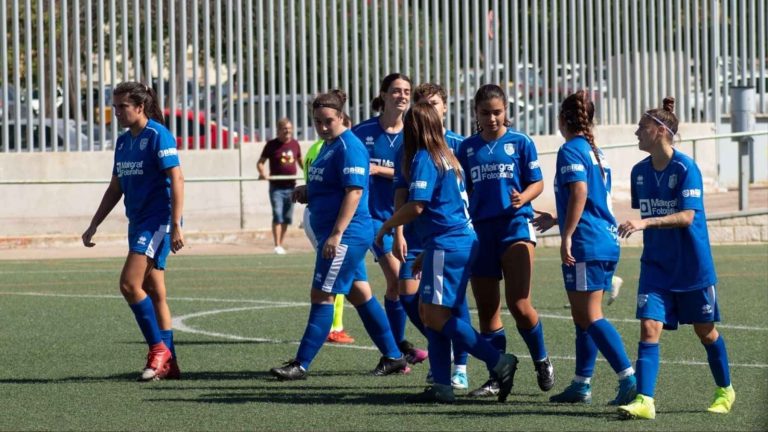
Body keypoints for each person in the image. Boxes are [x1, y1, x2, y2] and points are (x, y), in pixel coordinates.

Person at [375, 102, 518, 403]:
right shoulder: (447, 156)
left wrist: (386, 226)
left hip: (449, 243)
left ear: (415, 128)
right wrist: (428, 251)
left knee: (436, 315)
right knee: (433, 313)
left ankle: (498, 360)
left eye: (409, 124)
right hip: (454, 241)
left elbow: (417, 206)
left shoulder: (425, 157)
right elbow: (447, 207)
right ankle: (442, 385)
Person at [269, 89, 408, 380]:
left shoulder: (349, 146)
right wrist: (308, 191)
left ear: (341, 117)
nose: (322, 126)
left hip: (345, 237)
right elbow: (333, 184)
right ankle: (394, 356)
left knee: (321, 295)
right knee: (361, 295)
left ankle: (301, 364)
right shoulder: (329, 145)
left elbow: (355, 191)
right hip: (339, 236)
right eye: (317, 121)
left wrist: (336, 235)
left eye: (328, 121)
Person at [616, 97, 735, 419]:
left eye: (642, 127)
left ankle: (725, 388)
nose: (636, 132)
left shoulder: (685, 168)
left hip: (692, 266)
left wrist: (644, 222)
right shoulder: (639, 172)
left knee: (705, 331)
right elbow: (650, 213)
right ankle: (645, 400)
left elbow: (686, 217)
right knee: (649, 326)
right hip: (656, 266)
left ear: (660, 130)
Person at [533, 90, 636, 405]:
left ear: (563, 119)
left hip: (587, 242)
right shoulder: (596, 151)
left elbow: (579, 191)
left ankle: (629, 380)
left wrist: (567, 234)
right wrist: (557, 218)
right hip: (604, 238)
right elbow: (589, 198)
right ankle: (581, 383)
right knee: (583, 315)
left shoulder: (570, 150)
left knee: (590, 315)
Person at [456, 84, 554, 398]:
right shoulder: (467, 148)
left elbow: (537, 182)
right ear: (476, 114)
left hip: (516, 228)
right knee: (487, 309)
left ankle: (541, 359)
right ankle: (497, 374)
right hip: (481, 233)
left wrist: (523, 197)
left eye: (497, 112)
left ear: (506, 111)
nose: (492, 118)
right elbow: (463, 190)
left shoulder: (521, 142)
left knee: (520, 304)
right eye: (485, 113)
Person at [82, 81, 184, 381]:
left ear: (140, 107)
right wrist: (95, 223)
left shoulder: (157, 135)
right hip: (138, 222)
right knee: (154, 292)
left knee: (128, 284)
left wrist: (176, 224)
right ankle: (170, 364)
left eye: (123, 107)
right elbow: (116, 187)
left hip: (157, 221)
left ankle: (158, 349)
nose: (118, 112)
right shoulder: (124, 142)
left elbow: (177, 179)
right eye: (115, 107)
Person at [398, 83, 471, 389]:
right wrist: (398, 231)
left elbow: (420, 204)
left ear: (444, 107)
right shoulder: (410, 148)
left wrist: (386, 226)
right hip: (424, 236)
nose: (428, 108)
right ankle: (441, 368)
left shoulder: (456, 145)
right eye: (423, 103)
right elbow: (401, 193)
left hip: (446, 235)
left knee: (446, 307)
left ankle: (463, 365)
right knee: (414, 299)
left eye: (434, 103)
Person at [351, 73, 427, 365]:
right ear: (383, 95)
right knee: (396, 279)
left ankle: (397, 349)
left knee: (403, 288)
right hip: (373, 219)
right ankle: (396, 352)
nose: (402, 96)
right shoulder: (362, 132)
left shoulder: (415, 132)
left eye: (407, 91)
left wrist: (380, 170)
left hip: (408, 219)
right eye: (396, 91)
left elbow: (416, 174)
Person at [302, 114, 355, 345]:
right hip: (329, 217)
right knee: (334, 276)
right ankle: (334, 327)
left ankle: (393, 353)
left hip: (318, 211)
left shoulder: (319, 147)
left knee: (354, 284)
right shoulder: (335, 148)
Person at [258, 118, 303, 255]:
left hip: (291, 186)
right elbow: (260, 163)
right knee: (278, 215)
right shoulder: (271, 145)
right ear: (278, 130)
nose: (287, 131)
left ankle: (281, 244)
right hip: (276, 187)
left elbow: (301, 161)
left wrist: (309, 173)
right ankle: (276, 244)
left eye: (289, 128)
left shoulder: (295, 144)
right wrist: (263, 173)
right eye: (284, 128)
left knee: (286, 217)